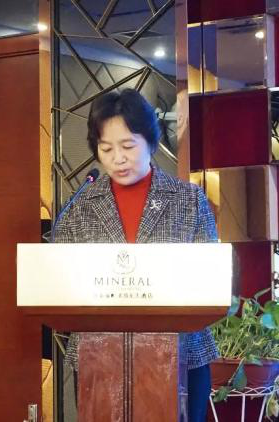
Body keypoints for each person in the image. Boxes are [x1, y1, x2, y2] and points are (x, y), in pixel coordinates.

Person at [53, 88, 218, 422]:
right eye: (106, 148)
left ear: (151, 141)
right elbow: (62, 285)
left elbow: (209, 279)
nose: (118, 158)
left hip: (182, 355)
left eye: (128, 146)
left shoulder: (188, 199)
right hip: (98, 359)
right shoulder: (80, 206)